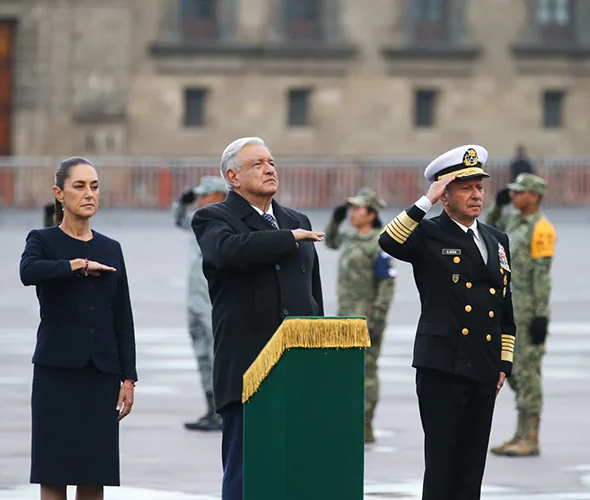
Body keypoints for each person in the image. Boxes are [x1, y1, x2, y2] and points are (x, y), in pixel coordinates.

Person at [379, 144, 516, 500]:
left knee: (472, 468)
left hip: (484, 367)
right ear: (445, 195)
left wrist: (504, 363)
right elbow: (388, 241)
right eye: (466, 187)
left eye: (479, 187)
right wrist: (425, 202)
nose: (476, 195)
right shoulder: (428, 233)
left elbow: (505, 306)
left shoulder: (496, 239)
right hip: (443, 365)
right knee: (442, 466)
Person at [191, 137, 325, 500]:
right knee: (246, 475)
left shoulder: (298, 220)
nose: (269, 169)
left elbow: (313, 295)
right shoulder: (214, 217)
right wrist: (286, 238)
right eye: (258, 164)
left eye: (272, 162)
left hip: (297, 369)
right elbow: (227, 252)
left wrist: (321, 357)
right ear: (232, 176)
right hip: (248, 371)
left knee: (297, 472)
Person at [19, 157, 137, 500]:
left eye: (95, 186)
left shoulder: (111, 248)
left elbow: (122, 316)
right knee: (53, 473)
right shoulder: (42, 240)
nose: (89, 194)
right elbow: (29, 272)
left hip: (100, 374)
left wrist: (128, 377)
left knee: (93, 474)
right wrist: (77, 265)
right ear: (59, 193)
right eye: (80, 186)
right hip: (56, 372)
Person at [487, 173, 556, 457]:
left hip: (528, 314)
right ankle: (519, 432)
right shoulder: (514, 221)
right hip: (510, 309)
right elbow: (488, 234)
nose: (514, 197)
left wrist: (541, 315)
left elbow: (542, 275)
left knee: (529, 376)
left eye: (519, 193)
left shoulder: (542, 229)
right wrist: (497, 206)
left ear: (535, 196)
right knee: (513, 374)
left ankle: (532, 436)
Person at [325, 186, 396, 444]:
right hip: (344, 314)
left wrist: (377, 317)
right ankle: (347, 419)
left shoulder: (380, 242)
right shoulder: (350, 238)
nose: (353, 213)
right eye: (351, 209)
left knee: (366, 371)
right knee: (343, 371)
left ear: (371, 214)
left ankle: (365, 425)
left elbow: (387, 283)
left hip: (366, 316)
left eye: (358, 209)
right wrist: (336, 218)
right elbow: (330, 241)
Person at [173, 175, 228, 431]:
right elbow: (179, 220)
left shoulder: (225, 221)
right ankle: (210, 408)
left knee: (217, 354)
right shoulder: (198, 220)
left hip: (213, 300)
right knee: (201, 354)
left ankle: (223, 410)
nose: (200, 200)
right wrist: (180, 203)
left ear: (219, 195)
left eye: (204, 195)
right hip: (195, 299)